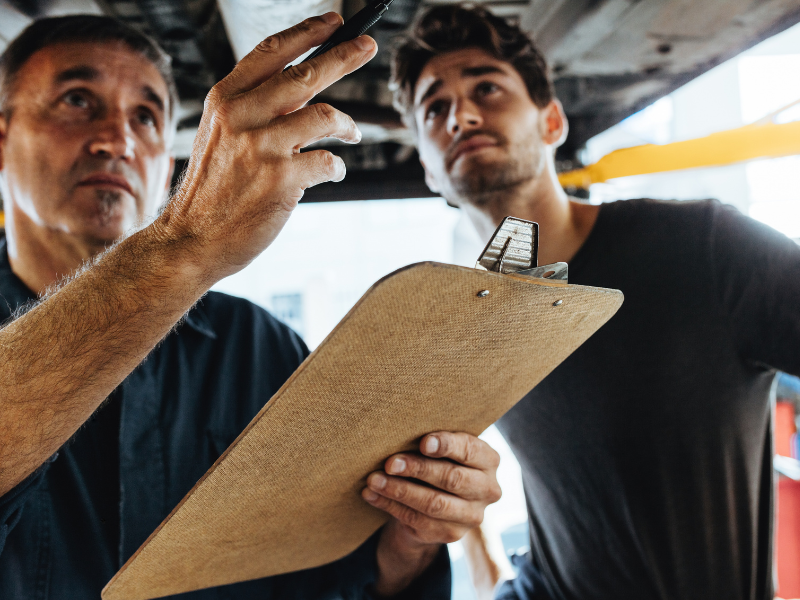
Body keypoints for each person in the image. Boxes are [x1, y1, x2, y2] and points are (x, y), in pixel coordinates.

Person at [0, 14, 503, 599]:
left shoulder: (261, 348)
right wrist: (184, 244)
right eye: (78, 100)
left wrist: (410, 542)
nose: (118, 140)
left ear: (167, 164)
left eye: (145, 116)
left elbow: (341, 581)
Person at [389, 5, 800, 600]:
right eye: (436, 108)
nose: (464, 116)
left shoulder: (704, 247)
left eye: (487, 88)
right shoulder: (476, 322)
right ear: (428, 168)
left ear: (552, 121)